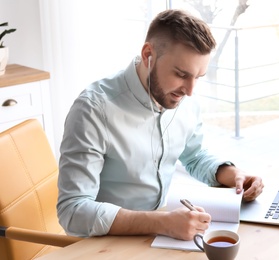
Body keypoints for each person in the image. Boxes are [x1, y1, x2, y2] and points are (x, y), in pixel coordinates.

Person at [57, 9, 264, 241]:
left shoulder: (182, 100)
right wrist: (163, 222)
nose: (190, 90)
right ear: (148, 55)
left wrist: (234, 175)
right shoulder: (93, 110)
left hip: (161, 237)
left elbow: (194, 156)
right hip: (107, 243)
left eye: (198, 77)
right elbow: (72, 211)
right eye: (180, 74)